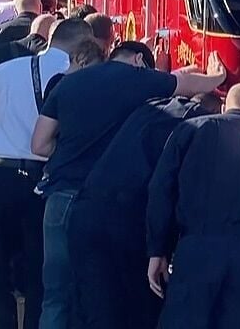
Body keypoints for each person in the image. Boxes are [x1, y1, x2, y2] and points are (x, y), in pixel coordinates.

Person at [30, 42, 227, 329]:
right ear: (138, 60)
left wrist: (73, 153)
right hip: (106, 202)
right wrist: (217, 78)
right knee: (101, 297)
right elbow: (184, 84)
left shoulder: (69, 84)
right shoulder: (137, 79)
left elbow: (39, 144)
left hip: (60, 197)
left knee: (56, 295)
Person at [0, 18, 93, 329]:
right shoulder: (84, 80)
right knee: (40, 273)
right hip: (46, 184)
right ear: (85, 45)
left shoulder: (4, 72)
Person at [69, 90, 222, 329]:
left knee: (95, 310)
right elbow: (166, 188)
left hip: (86, 211)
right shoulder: (200, 126)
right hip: (130, 219)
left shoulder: (151, 107)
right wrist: (159, 247)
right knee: (140, 309)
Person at [148, 84, 240, 329]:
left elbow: (161, 189)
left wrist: (158, 249)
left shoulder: (192, 128)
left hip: (196, 247)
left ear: (225, 107)